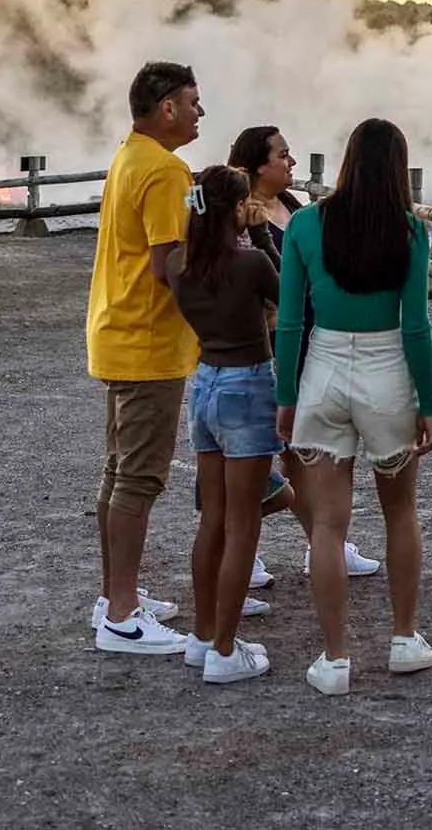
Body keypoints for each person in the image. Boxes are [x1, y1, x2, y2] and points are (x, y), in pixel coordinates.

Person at [274, 117, 432, 696]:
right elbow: (415, 326)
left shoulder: (302, 224)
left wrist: (286, 397)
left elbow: (291, 322)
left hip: (322, 371)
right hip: (387, 370)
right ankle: (403, 640)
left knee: (326, 523)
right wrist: (429, 402)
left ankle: (335, 658)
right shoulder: (410, 232)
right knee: (400, 512)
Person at [228, 125, 383, 588]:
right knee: (254, 452)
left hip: (313, 340)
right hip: (266, 343)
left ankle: (323, 544)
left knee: (301, 448)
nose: (291, 162)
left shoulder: (294, 207)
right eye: (283, 154)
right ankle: (244, 552)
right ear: (258, 164)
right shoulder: (240, 220)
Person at [87, 61, 203, 655]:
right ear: (166, 108)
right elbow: (169, 265)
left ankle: (116, 596)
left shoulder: (129, 155)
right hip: (150, 341)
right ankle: (123, 618)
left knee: (118, 473)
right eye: (192, 101)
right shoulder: (164, 169)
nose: (199, 112)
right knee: (140, 478)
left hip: (118, 331)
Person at [168, 164, 280, 683]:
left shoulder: (177, 264)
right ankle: (227, 651)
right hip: (248, 386)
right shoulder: (252, 263)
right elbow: (291, 293)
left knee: (212, 520)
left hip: (204, 385)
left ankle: (203, 635)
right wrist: (258, 229)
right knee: (243, 525)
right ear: (236, 208)